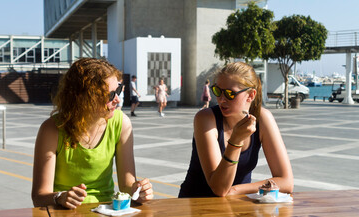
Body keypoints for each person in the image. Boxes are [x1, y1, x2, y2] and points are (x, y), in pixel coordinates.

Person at [31, 58, 153, 209]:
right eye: (109, 95)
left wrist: (138, 191)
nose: (117, 100)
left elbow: (126, 186)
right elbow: (39, 196)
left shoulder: (121, 123)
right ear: (84, 98)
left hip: (106, 212)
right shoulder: (52, 129)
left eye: (118, 91)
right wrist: (60, 197)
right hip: (64, 215)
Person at [179, 61, 293, 198]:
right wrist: (236, 140)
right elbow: (219, 188)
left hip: (236, 206)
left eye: (230, 94)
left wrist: (235, 190)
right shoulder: (205, 119)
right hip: (197, 206)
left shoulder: (263, 118)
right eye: (217, 91)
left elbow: (286, 182)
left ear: (251, 95)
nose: (221, 99)